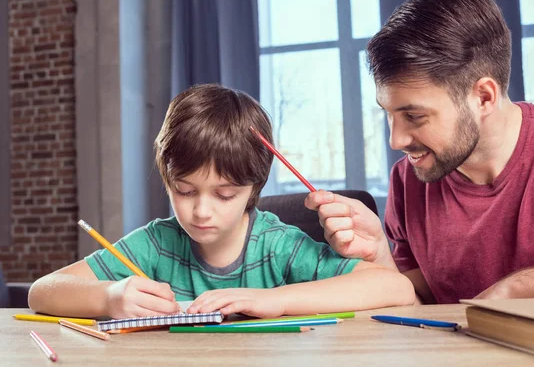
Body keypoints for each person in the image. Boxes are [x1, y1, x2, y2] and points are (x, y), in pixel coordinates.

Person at [306, 0, 534, 304]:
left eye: (414, 116)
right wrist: (380, 256)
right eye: (389, 115)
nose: (396, 141)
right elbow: (423, 309)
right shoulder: (409, 180)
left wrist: (521, 287)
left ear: (483, 97)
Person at [28, 84, 415, 319]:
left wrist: (275, 300)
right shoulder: (157, 244)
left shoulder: (277, 245)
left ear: (253, 188)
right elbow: (42, 290)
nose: (201, 210)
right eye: (184, 190)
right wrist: (109, 297)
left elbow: (395, 290)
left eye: (225, 194)